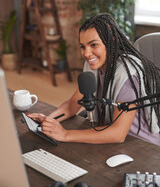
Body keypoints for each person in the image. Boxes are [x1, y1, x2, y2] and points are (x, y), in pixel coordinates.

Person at [28, 13, 160, 146]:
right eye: (83, 46)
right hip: (107, 137)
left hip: (141, 145)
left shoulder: (127, 75)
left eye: (93, 45)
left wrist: (65, 134)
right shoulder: (92, 66)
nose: (86, 53)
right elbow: (73, 104)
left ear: (111, 41)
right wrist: (48, 120)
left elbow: (118, 134)